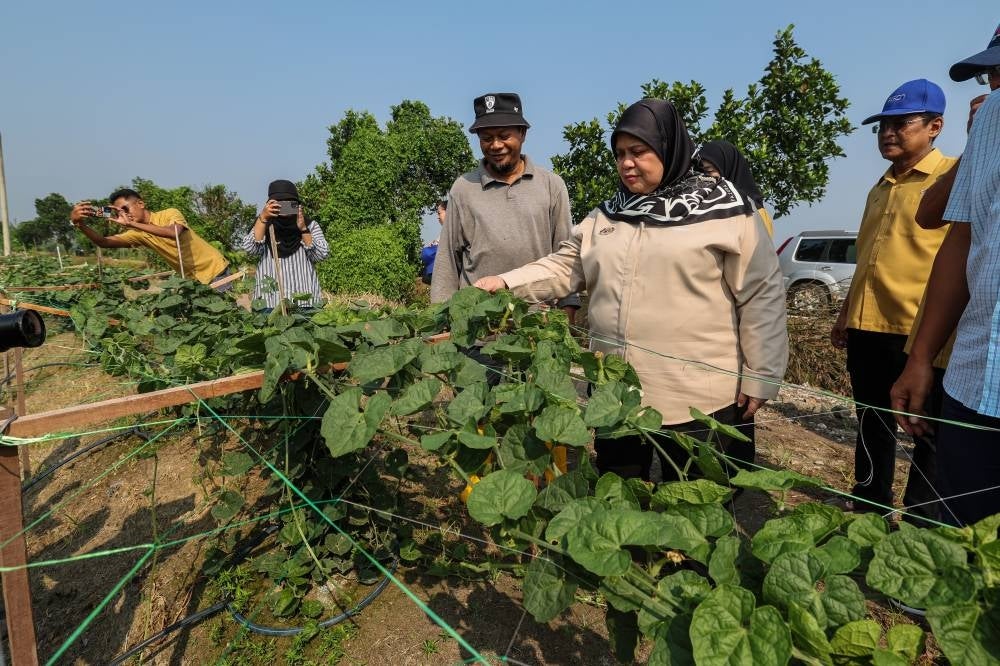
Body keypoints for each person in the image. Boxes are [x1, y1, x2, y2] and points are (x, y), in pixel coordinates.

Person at [475, 99, 787, 482]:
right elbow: (565, 265)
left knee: (698, 509)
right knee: (619, 495)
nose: (626, 163)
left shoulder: (725, 210)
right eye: (620, 153)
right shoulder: (609, 214)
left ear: (669, 148)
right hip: (617, 394)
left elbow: (762, 294)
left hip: (701, 397)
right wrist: (505, 283)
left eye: (638, 151)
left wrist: (762, 374)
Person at [829, 79, 957, 521]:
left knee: (925, 426)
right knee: (870, 415)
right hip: (869, 325)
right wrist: (847, 311)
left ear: (935, 126)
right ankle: (869, 497)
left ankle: (921, 514)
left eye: (902, 124)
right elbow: (867, 256)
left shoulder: (950, 179)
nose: (888, 133)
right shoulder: (879, 187)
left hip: (920, 330)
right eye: (883, 125)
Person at [891, 25, 1000, 526]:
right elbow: (955, 236)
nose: (993, 84)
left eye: (901, 123)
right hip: (974, 373)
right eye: (992, 73)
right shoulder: (993, 124)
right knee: (968, 543)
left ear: (933, 126)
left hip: (941, 344)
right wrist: (920, 356)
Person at [430, 92, 580, 322]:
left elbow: (566, 256)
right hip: (477, 327)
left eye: (504, 136)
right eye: (487, 138)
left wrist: (567, 310)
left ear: (522, 134)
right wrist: (441, 320)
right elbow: (448, 260)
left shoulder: (551, 185)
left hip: (535, 325)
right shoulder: (463, 188)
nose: (496, 145)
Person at [70, 189, 229, 287]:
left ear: (140, 203)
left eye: (126, 208)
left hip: (214, 268)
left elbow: (173, 233)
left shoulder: (169, 213)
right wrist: (79, 224)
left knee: (228, 319)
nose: (124, 214)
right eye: (119, 212)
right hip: (192, 280)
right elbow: (103, 242)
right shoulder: (137, 234)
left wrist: (133, 225)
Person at [242, 180, 329, 310]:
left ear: (298, 204)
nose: (285, 207)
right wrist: (263, 218)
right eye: (279, 203)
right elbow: (251, 250)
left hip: (305, 301)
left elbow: (321, 255)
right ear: (270, 204)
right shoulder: (263, 224)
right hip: (270, 303)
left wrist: (303, 229)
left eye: (290, 203)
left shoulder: (310, 225)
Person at [696, 140, 774, 237]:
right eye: (700, 172)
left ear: (728, 168)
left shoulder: (756, 213)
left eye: (709, 171)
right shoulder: (699, 206)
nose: (704, 177)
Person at [420, 198, 446, 285]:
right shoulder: (443, 232)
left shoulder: (451, 233)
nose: (437, 217)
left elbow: (428, 253)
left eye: (439, 213)